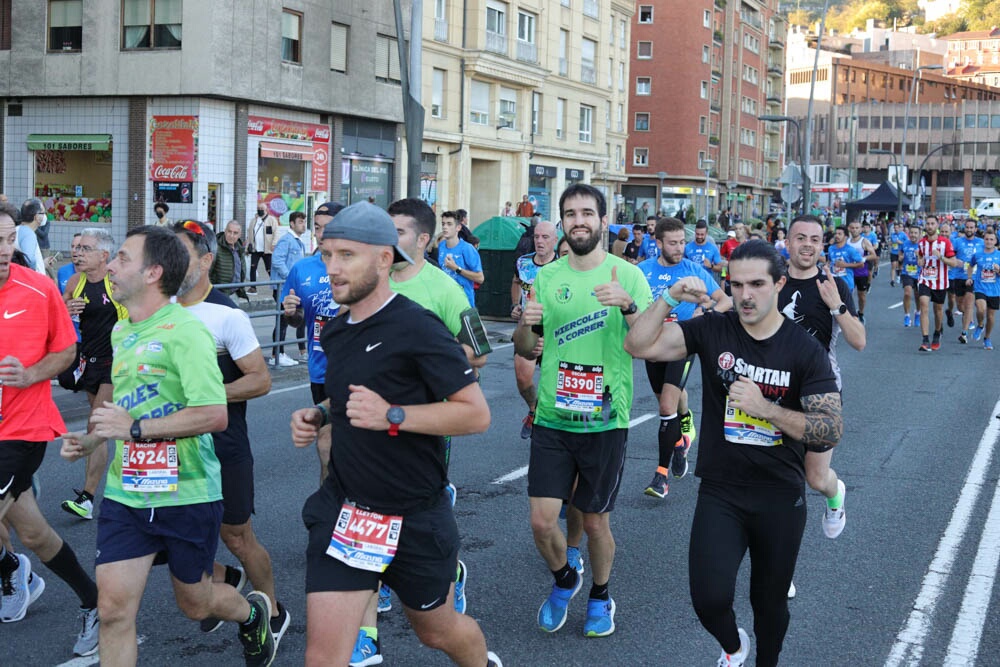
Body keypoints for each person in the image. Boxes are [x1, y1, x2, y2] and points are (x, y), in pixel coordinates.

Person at [289, 202, 502, 667]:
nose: (332, 268)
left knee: (438, 631)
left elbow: (475, 415)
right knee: (323, 657)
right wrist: (320, 414)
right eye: (326, 255)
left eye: (346, 255)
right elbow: (346, 398)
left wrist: (394, 415)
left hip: (413, 514)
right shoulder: (338, 331)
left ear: (385, 259)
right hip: (346, 510)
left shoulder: (419, 326)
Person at [60, 225, 276, 666]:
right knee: (113, 610)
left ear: (153, 272)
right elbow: (124, 403)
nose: (111, 267)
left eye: (121, 258)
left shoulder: (187, 332)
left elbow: (214, 413)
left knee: (195, 603)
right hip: (126, 494)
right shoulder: (123, 331)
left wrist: (136, 428)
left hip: (187, 493)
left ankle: (253, 614)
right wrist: (90, 440)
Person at [624, 239, 843, 667]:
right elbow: (639, 346)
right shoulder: (713, 329)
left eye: (757, 284)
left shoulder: (804, 350)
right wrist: (668, 298)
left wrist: (765, 409)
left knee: (770, 604)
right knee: (708, 598)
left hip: (780, 494)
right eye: (736, 284)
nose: (745, 294)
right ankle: (733, 647)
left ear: (779, 284)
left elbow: (829, 428)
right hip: (721, 490)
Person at [514, 183, 653, 638]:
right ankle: (564, 580)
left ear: (603, 220)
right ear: (561, 223)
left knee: (594, 521)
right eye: (570, 213)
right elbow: (527, 346)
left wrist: (629, 307)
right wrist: (524, 324)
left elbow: (649, 343)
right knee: (540, 520)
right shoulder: (548, 277)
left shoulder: (626, 275)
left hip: (605, 419)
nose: (579, 221)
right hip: (553, 414)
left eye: (587, 213)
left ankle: (600, 596)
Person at [172, 220, 289, 645]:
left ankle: (271, 609)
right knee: (164, 534)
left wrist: (207, 396)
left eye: (179, 254)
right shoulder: (155, 310)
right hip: (170, 447)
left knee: (236, 535)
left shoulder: (226, 313)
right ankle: (225, 578)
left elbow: (259, 380)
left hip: (222, 443)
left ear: (205, 261)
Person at [0, 204, 101, 657]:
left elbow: (65, 352)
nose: (5, 251)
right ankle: (92, 600)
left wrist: (32, 372)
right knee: (35, 534)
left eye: (8, 240)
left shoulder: (38, 289)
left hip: (21, 427)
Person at [779, 215, 865, 543]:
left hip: (821, 393)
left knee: (815, 478)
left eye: (815, 240)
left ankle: (835, 494)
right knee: (784, 484)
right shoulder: (774, 282)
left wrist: (837, 306)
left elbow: (859, 341)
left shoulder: (835, 285)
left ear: (821, 245)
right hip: (775, 390)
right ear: (787, 243)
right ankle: (780, 570)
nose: (808, 245)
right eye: (801, 238)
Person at [637, 217, 731, 499]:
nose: (679, 248)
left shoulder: (692, 270)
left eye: (682, 242)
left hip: (682, 341)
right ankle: (680, 439)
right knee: (667, 406)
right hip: (653, 344)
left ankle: (661, 476)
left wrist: (704, 316)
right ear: (658, 243)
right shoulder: (642, 271)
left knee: (667, 405)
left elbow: (724, 300)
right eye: (673, 243)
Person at [60, 228, 129, 521]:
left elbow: (139, 312)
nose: (78, 253)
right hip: (89, 360)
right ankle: (123, 480)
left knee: (95, 425)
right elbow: (57, 315)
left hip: (117, 360)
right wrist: (65, 309)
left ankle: (87, 499)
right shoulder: (76, 282)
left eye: (86, 249)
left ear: (104, 255)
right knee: (100, 430)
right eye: (77, 248)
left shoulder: (116, 282)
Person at [281, 202, 343, 484]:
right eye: (317, 227)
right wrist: (292, 312)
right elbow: (298, 322)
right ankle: (329, 508)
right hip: (321, 369)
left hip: (359, 367)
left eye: (327, 228)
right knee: (326, 443)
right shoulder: (302, 269)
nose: (320, 233)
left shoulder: (357, 266)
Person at [510, 221, 559, 439]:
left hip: (555, 328)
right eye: (537, 237)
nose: (539, 241)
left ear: (555, 240)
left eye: (545, 237)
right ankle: (533, 408)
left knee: (555, 381)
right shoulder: (523, 262)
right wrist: (515, 306)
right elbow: (516, 282)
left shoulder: (563, 266)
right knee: (523, 378)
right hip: (529, 326)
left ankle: (553, 423)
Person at [917, 215, 962, 352]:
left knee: (938, 310)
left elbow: (954, 263)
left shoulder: (945, 243)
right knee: (924, 305)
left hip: (940, 282)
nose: (929, 226)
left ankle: (937, 333)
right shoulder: (922, 243)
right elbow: (919, 255)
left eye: (932, 224)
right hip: (925, 279)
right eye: (928, 223)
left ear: (937, 226)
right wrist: (919, 260)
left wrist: (941, 257)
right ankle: (925, 339)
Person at [270, 211, 308, 366]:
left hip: (291, 287)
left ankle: (279, 353)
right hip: (283, 287)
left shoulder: (298, 242)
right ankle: (276, 355)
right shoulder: (287, 240)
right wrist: (290, 276)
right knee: (282, 320)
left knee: (287, 319)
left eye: (304, 222)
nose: (303, 225)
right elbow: (276, 260)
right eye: (300, 222)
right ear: (292, 224)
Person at [438, 210, 484, 307]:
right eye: (443, 224)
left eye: (449, 224)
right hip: (444, 301)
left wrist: (456, 268)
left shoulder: (467, 248)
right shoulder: (441, 246)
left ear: (458, 227)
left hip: (464, 302)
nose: (445, 227)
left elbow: (480, 278)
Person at [950, 219, 984, 342]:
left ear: (975, 229)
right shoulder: (957, 242)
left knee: (969, 302)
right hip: (959, 276)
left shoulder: (981, 242)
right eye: (967, 227)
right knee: (960, 305)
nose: (969, 230)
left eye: (972, 228)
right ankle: (969, 318)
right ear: (965, 228)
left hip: (974, 277)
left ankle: (964, 334)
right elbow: (950, 255)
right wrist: (955, 261)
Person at [969, 228, 999, 350]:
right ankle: (980, 325)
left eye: (991, 239)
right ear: (984, 241)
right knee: (981, 310)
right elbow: (970, 266)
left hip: (995, 290)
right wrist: (969, 277)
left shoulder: (999, 255)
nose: (988, 241)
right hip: (980, 287)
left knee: (991, 317)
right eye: (986, 239)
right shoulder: (977, 254)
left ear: (995, 241)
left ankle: (987, 338)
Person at [846, 221, 877, 322]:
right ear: (849, 229)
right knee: (846, 294)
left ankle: (861, 313)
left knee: (861, 295)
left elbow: (873, 255)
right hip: (848, 271)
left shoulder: (864, 241)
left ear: (861, 229)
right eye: (853, 228)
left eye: (857, 228)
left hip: (861, 272)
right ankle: (848, 314)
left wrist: (863, 258)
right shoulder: (846, 241)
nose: (855, 230)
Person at [211, 220, 248, 298]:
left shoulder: (239, 248)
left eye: (235, 233)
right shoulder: (215, 248)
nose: (231, 235)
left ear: (239, 235)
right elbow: (207, 273)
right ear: (225, 231)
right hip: (219, 294)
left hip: (235, 293)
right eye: (229, 231)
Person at [247, 205, 278, 293]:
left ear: (266, 210)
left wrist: (274, 243)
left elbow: (276, 232)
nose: (260, 210)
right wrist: (247, 247)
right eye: (258, 209)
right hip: (255, 249)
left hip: (267, 249)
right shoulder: (253, 221)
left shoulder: (271, 220)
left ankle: (276, 286)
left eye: (262, 209)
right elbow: (250, 234)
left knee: (269, 269)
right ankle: (253, 287)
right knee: (253, 268)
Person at [899, 223, 922, 327]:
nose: (913, 235)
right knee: (907, 293)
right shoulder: (905, 244)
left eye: (915, 233)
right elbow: (900, 253)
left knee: (918, 295)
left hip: (919, 273)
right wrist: (900, 257)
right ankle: (907, 316)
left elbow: (925, 260)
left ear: (920, 234)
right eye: (911, 233)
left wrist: (919, 256)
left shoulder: (922, 245)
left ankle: (917, 313)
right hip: (907, 272)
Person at [15, 199, 46, 274]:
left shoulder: (17, 229)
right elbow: (29, 260)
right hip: (33, 281)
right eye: (43, 213)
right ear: (36, 217)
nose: (45, 216)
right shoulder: (28, 234)